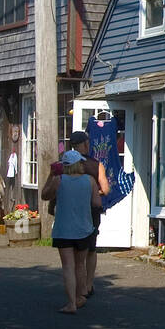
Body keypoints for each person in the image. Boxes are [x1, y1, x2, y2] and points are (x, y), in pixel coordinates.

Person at [42, 149, 102, 314]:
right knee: (79, 265)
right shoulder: (89, 180)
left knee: (68, 266)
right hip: (83, 228)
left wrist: (50, 175)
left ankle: (71, 303)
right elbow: (97, 203)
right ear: (78, 164)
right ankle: (80, 296)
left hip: (64, 229)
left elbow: (45, 195)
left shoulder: (59, 180)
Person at [68, 130, 110, 304]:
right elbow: (105, 189)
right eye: (86, 143)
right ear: (84, 144)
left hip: (71, 211)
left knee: (75, 250)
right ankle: (88, 284)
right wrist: (92, 192)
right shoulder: (95, 165)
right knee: (90, 249)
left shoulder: (65, 164)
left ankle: (78, 286)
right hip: (91, 211)